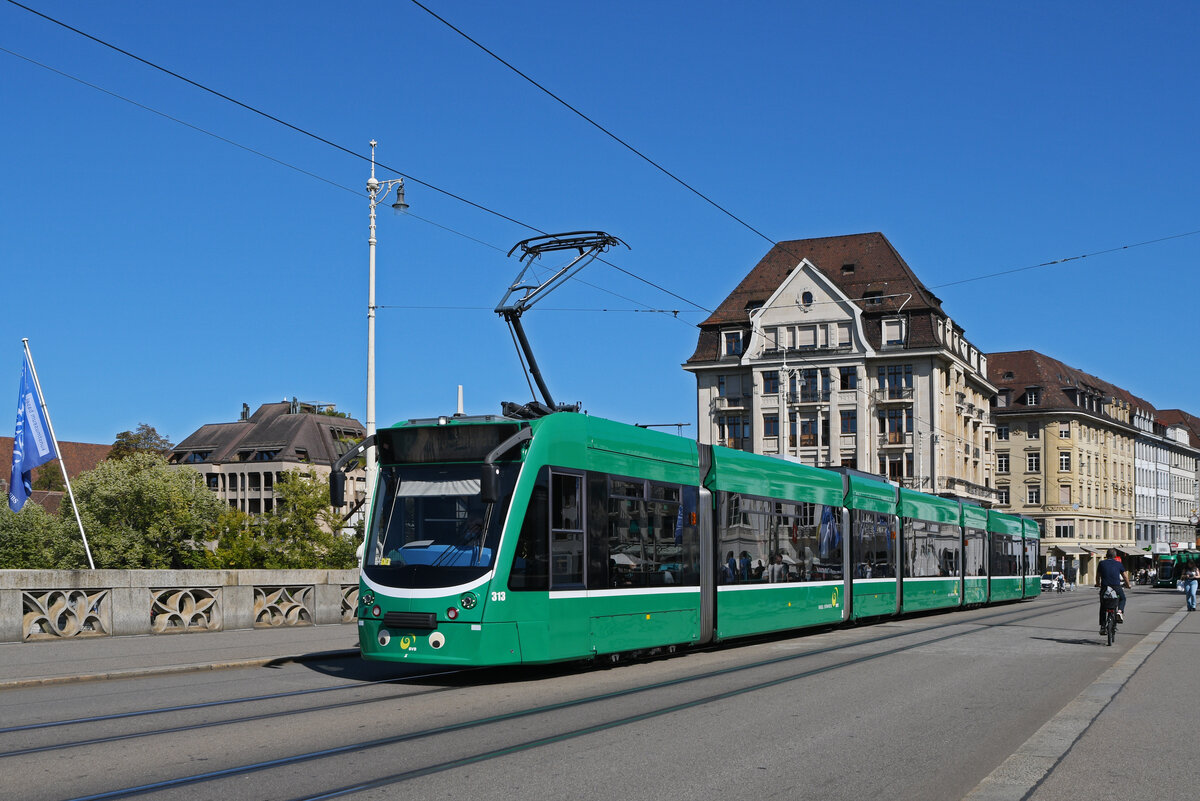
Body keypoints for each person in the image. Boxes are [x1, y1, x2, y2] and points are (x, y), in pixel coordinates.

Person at [1095, 548, 1131, 633]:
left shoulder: (1101, 563)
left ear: (1107, 556)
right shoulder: (1119, 564)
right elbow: (1125, 576)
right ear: (1115, 556)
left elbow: (1097, 576)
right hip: (1116, 587)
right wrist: (1128, 585)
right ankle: (1119, 611)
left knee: (1103, 605)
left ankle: (1103, 626)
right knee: (1122, 598)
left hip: (1105, 587)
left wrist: (1098, 584)